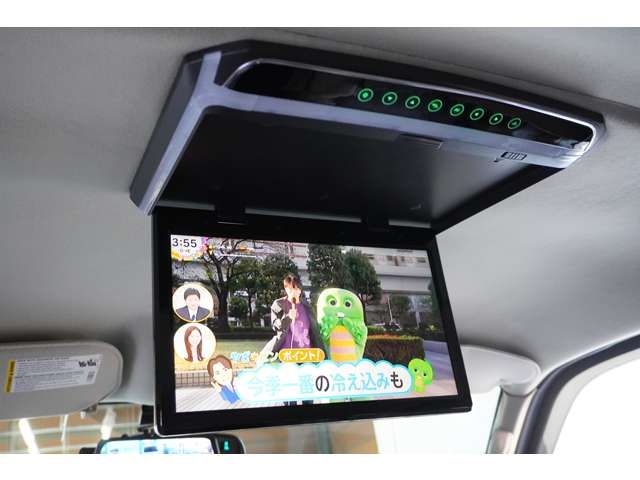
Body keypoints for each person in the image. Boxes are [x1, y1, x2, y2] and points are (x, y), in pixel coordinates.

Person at [260, 274, 326, 405]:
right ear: (285, 289)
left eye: (296, 288)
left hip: (307, 355)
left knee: (307, 390)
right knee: (289, 391)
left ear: (300, 289)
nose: (293, 291)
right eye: (290, 288)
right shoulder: (278, 305)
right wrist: (288, 317)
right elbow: (276, 326)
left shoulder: (306, 306)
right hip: (288, 355)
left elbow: (314, 330)